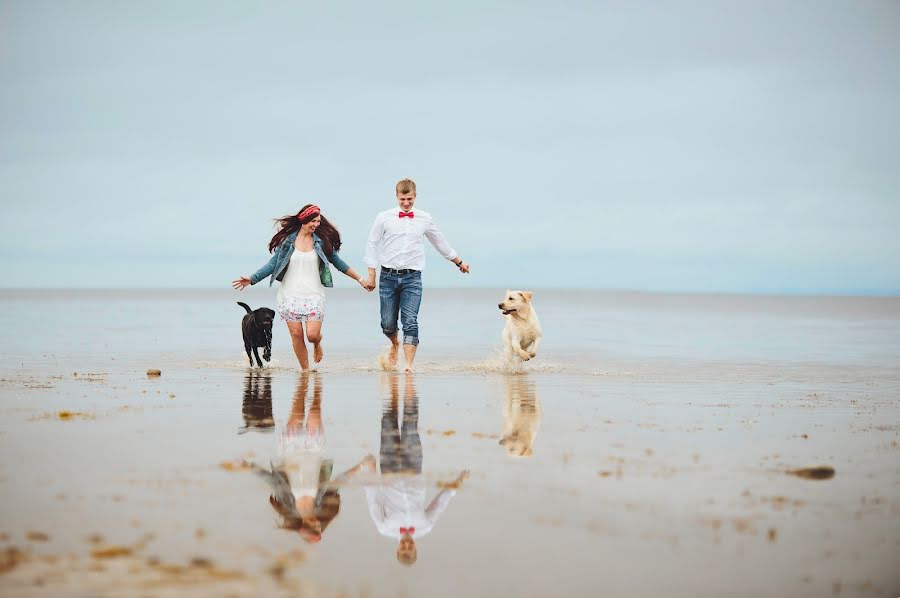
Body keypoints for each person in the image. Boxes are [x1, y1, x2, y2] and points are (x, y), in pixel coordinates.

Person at [233, 204, 371, 371]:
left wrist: (360, 279)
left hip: (314, 295)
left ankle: (317, 343)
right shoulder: (288, 241)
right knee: (297, 334)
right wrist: (253, 278)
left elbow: (339, 263)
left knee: (312, 335)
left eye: (318, 221)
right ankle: (306, 371)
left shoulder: (322, 241)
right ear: (303, 220)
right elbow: (272, 264)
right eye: (313, 221)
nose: (316, 224)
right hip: (289, 295)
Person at [253, 373, 374, 544]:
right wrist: (362, 465)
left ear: (304, 527)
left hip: (290, 447)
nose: (318, 524)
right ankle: (315, 375)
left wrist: (249, 466)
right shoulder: (319, 504)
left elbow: (272, 481)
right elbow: (339, 481)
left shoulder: (289, 506)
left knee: (298, 405)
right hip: (314, 448)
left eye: (314, 527)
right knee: (315, 406)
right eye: (319, 527)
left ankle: (303, 377)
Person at [364, 179, 470, 371]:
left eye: (410, 199)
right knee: (387, 324)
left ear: (415, 196)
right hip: (387, 277)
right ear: (396, 196)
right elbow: (372, 244)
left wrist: (458, 262)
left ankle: (409, 367)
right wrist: (371, 274)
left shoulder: (424, 218)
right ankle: (395, 343)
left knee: (410, 320)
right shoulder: (384, 217)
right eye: (403, 199)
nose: (406, 203)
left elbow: (440, 242)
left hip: (412, 278)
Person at [365, 373, 468, 565]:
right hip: (414, 467)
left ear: (397, 549)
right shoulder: (425, 527)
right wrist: (457, 483)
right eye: (409, 549)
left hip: (389, 468)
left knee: (388, 420)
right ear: (415, 548)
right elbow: (439, 504)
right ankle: (409, 382)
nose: (406, 546)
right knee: (410, 422)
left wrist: (371, 472)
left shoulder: (384, 528)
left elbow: (373, 501)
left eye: (403, 549)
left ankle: (392, 384)